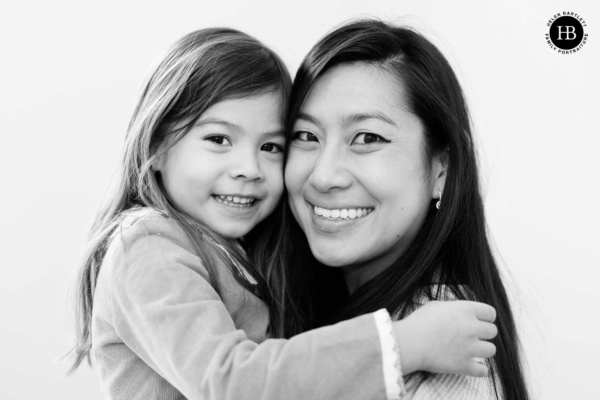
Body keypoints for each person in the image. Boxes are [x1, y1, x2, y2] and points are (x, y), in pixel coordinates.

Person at [69, 27, 498, 400]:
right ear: (157, 146)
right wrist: (402, 344)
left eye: (271, 146)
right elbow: (232, 383)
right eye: (219, 138)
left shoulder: (448, 329)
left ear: (442, 168)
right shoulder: (148, 247)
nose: (248, 169)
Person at [284, 19, 529, 399]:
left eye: (367, 138)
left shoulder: (444, 353)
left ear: (441, 170)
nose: (323, 175)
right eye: (306, 136)